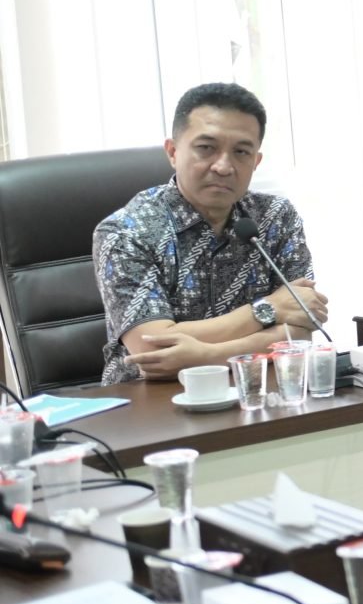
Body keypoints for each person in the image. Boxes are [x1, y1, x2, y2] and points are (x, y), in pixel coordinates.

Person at [94, 83, 327, 384]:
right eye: (206, 148)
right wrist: (268, 310)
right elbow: (152, 347)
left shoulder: (275, 217)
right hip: (152, 400)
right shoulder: (126, 232)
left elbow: (301, 329)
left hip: (257, 390)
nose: (223, 166)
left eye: (241, 152)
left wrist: (205, 355)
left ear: (256, 161)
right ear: (173, 152)